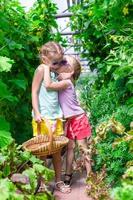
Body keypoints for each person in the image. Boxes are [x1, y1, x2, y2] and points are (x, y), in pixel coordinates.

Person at [43, 55, 92, 187]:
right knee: (70, 148)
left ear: (70, 72)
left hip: (79, 119)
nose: (60, 64)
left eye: (64, 63)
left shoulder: (67, 83)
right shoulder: (63, 81)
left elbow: (48, 85)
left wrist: (46, 67)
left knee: (83, 148)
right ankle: (68, 174)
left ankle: (90, 176)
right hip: (71, 121)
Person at [32, 41, 71, 193]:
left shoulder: (52, 72)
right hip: (43, 118)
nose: (57, 66)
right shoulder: (42, 69)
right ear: (44, 59)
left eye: (59, 62)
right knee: (42, 151)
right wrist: (36, 112)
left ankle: (59, 181)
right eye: (55, 63)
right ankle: (42, 183)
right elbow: (34, 91)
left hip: (55, 117)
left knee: (56, 151)